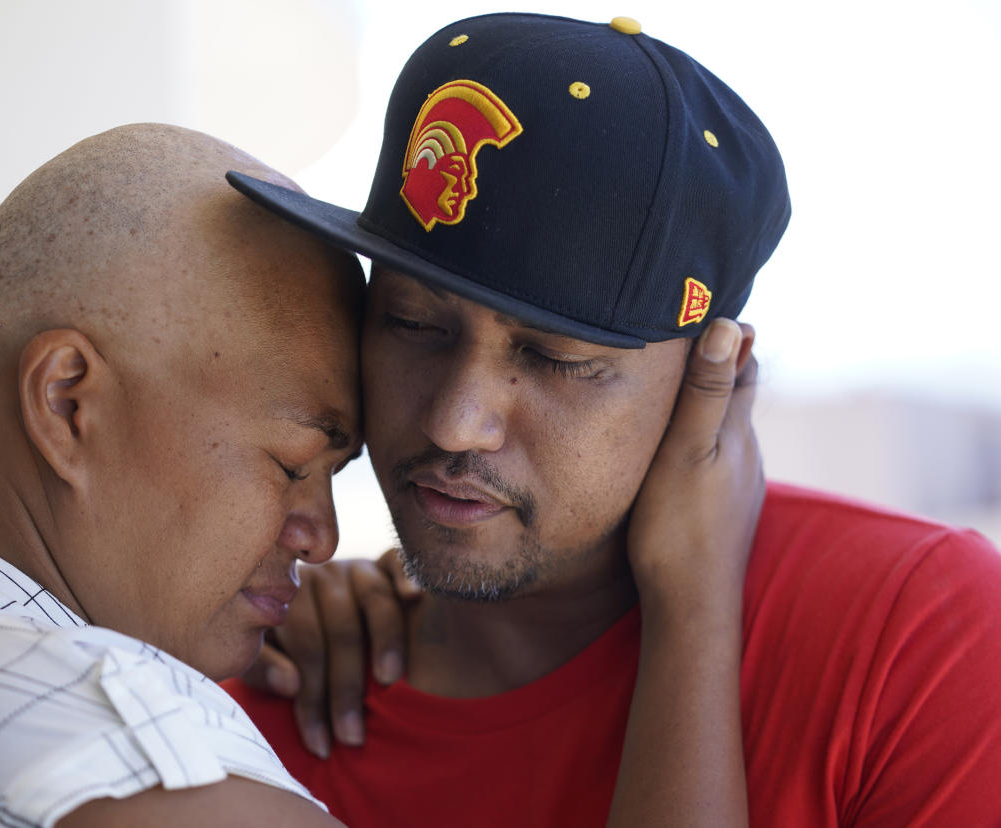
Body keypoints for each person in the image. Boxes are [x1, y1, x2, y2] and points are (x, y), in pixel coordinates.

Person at [0, 120, 763, 826]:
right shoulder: (138, 766)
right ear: (69, 403)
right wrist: (700, 606)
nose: (322, 539)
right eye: (291, 461)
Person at [222, 12, 1001, 827]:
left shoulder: (913, 638)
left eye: (559, 360)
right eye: (415, 324)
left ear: (715, 378)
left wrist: (695, 611)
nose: (456, 422)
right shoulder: (262, 690)